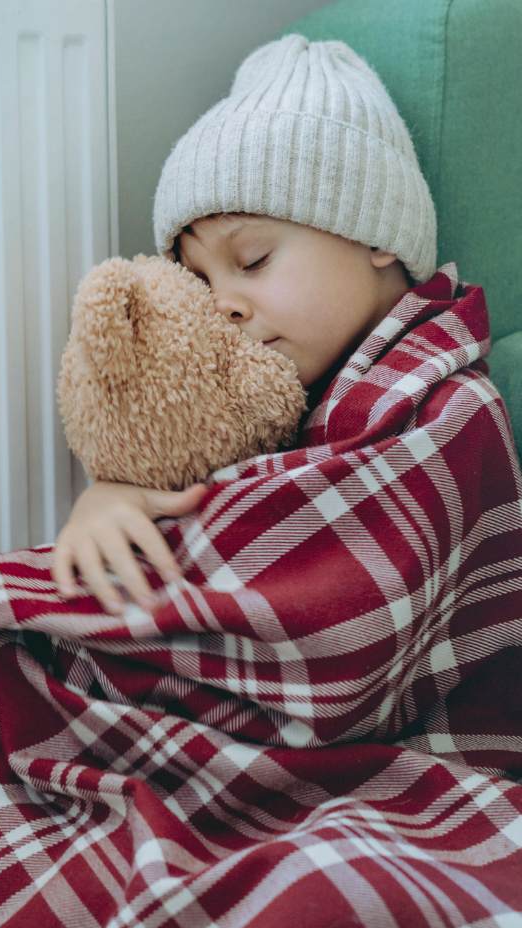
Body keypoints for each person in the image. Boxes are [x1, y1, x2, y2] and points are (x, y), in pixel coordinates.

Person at [52, 33, 439, 617]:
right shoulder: (244, 394)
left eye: (253, 260)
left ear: (375, 236)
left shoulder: (439, 406)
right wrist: (110, 495)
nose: (222, 307)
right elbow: (188, 481)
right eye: (200, 281)